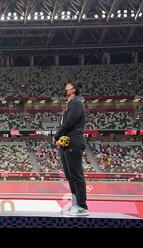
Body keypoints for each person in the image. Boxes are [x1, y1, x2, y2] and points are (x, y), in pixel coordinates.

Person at [53, 81, 89, 216]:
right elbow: (65, 123)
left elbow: (69, 122)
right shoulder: (69, 104)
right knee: (70, 175)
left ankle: (82, 206)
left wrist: (56, 135)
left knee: (76, 174)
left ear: (73, 90)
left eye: (66, 87)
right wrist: (59, 138)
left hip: (74, 141)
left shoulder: (76, 103)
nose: (64, 89)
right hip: (66, 143)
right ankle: (75, 204)